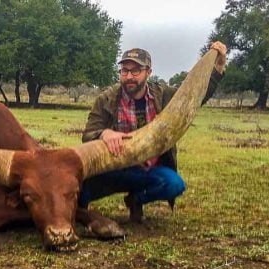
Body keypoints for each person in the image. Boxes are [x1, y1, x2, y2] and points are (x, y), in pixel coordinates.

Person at [80, 41, 227, 223]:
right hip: (114, 169)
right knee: (77, 187)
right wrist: (104, 134)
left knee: (174, 184)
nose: (129, 76)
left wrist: (217, 68)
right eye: (124, 71)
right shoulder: (107, 99)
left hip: (149, 170)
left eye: (136, 71)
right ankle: (78, 213)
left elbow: (194, 97)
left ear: (148, 72)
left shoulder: (163, 95)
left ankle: (135, 200)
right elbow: (88, 134)